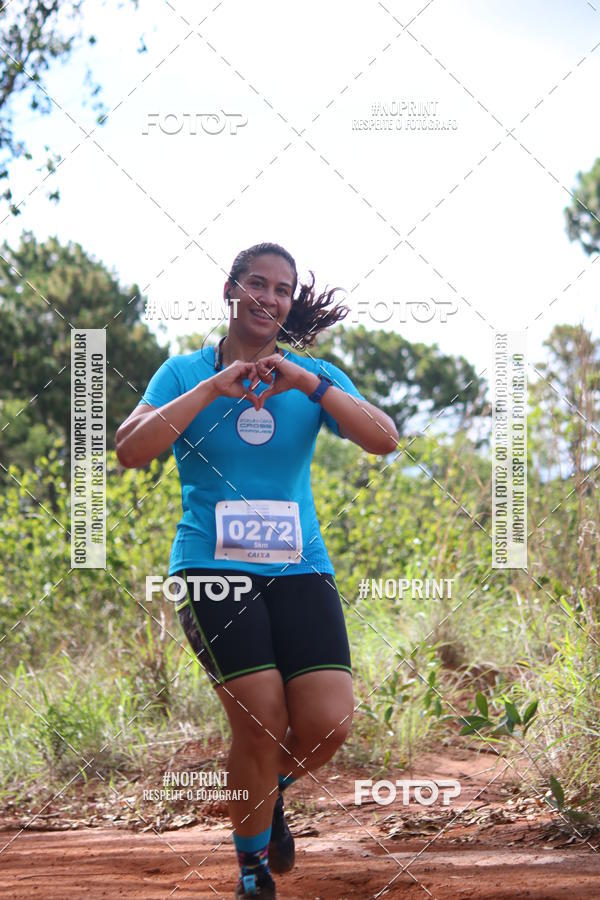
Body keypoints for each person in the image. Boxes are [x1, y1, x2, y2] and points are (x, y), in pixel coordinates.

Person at [115, 242, 399, 899]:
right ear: (230, 290)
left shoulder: (314, 377)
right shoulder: (183, 372)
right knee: (262, 717)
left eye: (282, 289)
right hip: (213, 571)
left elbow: (385, 439)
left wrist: (311, 384)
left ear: (289, 304)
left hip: (301, 570)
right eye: (258, 283)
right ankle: (251, 870)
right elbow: (131, 450)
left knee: (329, 721)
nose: (269, 297)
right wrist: (214, 388)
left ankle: (264, 793)